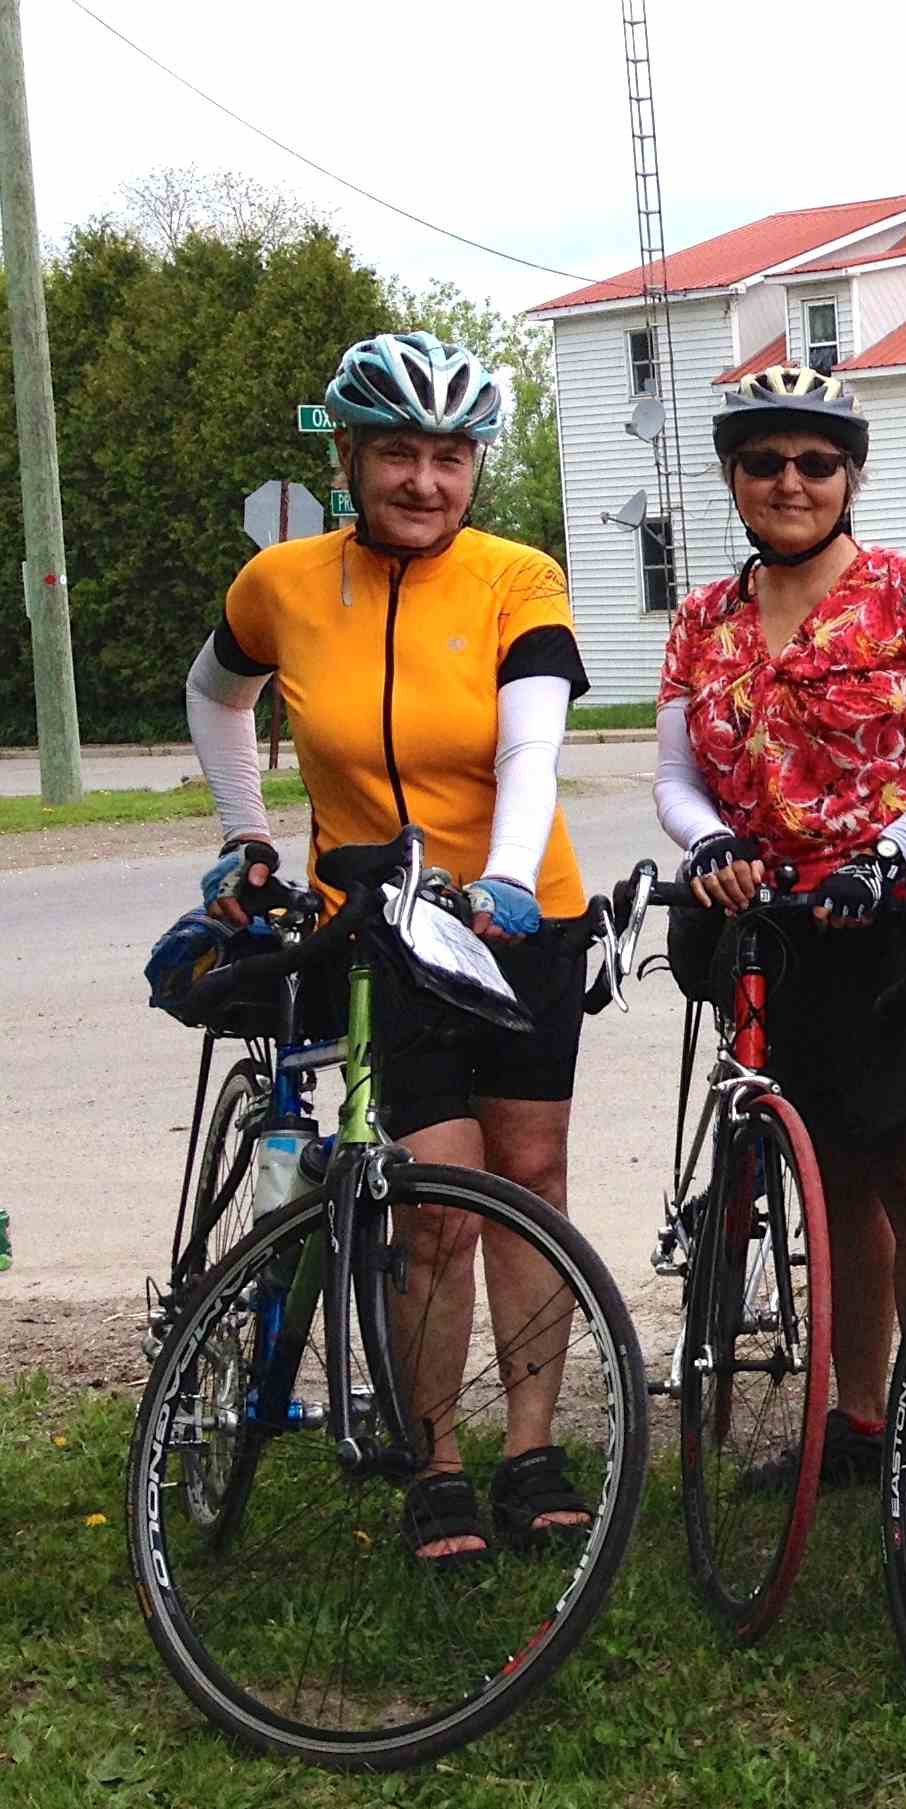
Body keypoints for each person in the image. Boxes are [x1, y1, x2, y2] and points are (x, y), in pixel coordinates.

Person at [184, 329, 595, 1565]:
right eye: (400, 455)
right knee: (433, 1203)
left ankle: (531, 1447)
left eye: (451, 457)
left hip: (522, 917)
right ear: (351, 457)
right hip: (374, 925)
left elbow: (532, 741)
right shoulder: (285, 583)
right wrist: (244, 834)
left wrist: (510, 878)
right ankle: (439, 1459)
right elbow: (215, 693)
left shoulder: (518, 576)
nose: (426, 481)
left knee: (528, 1178)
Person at [652, 364, 906, 1529]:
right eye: (766, 463)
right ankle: (861, 1420)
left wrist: (892, 853)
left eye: (816, 462)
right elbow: (673, 775)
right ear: (734, 480)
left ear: (851, 474)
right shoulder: (702, 621)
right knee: (835, 1192)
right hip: (782, 934)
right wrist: (710, 842)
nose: (792, 482)